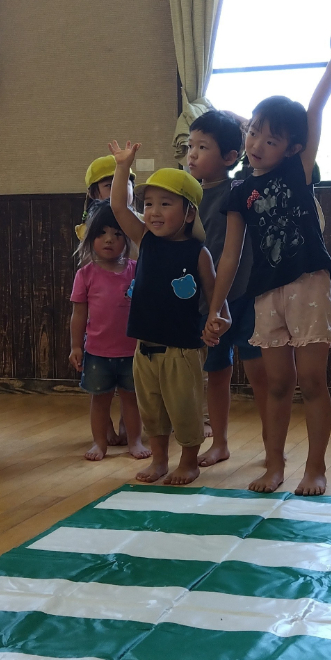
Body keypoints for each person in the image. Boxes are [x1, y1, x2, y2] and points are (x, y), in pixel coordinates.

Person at [205, 17, 331, 495]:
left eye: (270, 139)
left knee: (311, 379)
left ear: (291, 147)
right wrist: (216, 307)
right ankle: (274, 465)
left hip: (308, 282)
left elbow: (314, 108)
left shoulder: (298, 169)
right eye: (253, 133)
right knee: (273, 383)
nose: (256, 144)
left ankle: (316, 468)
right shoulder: (238, 192)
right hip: (264, 291)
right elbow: (229, 257)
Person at [106, 143, 227, 485]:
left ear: (189, 213)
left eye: (165, 204)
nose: (153, 212)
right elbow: (117, 206)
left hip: (182, 352)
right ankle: (159, 461)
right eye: (147, 204)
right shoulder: (145, 240)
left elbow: (219, 304)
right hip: (144, 348)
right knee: (152, 412)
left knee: (186, 412)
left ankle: (189, 462)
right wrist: (122, 166)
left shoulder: (198, 253)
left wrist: (218, 321)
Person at [186, 111, 267, 467]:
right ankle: (219, 442)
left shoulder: (240, 189)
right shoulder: (187, 199)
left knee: (258, 373)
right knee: (216, 373)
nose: (192, 154)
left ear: (230, 158)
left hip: (245, 297)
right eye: (190, 146)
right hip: (208, 302)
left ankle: (271, 443)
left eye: (203, 147)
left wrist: (245, 125)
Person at [69, 201, 150, 461]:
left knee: (131, 400)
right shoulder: (85, 274)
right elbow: (78, 314)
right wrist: (75, 346)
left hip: (131, 351)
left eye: (117, 235)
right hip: (96, 352)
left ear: (128, 241)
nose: (109, 240)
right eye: (102, 233)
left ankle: (134, 441)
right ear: (91, 238)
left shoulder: (136, 270)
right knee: (100, 401)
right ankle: (99, 443)